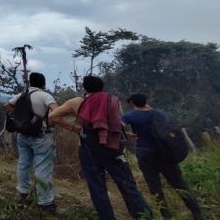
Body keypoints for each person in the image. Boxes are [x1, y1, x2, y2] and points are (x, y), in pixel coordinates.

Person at [49, 76, 152, 220]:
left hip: (89, 151)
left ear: (85, 88)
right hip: (114, 150)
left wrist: (74, 128)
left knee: (98, 189)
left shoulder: (77, 102)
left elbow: (53, 116)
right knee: (128, 186)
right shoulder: (113, 101)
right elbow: (118, 125)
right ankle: (144, 216)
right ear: (102, 87)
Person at [123, 93, 204, 220]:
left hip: (145, 154)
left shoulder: (131, 115)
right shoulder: (159, 113)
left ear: (132, 103)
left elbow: (118, 126)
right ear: (146, 101)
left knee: (154, 186)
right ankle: (197, 213)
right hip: (165, 152)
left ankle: (166, 215)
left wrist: (127, 134)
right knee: (179, 183)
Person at [4, 72, 59, 214]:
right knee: (43, 168)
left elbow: (8, 106)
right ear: (43, 84)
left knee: (23, 164)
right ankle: (46, 203)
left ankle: (23, 194)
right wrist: (46, 120)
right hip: (41, 136)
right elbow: (56, 111)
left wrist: (22, 118)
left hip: (23, 135)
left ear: (30, 82)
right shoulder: (45, 96)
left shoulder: (22, 94)